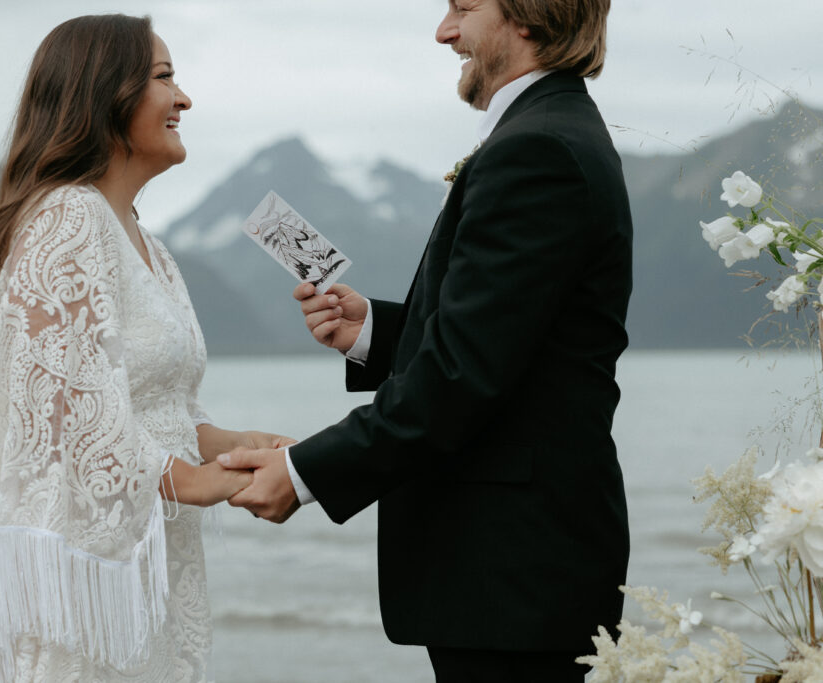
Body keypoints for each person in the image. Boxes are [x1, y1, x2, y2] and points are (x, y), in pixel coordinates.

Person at [217, 0, 632, 680]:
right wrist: (376, 332)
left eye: (463, 7)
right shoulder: (551, 131)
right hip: (519, 574)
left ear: (529, 14)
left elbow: (461, 376)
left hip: (512, 574)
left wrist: (303, 473)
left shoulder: (539, 150)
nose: (444, 31)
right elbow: (509, 342)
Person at [0, 15, 291, 682]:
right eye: (164, 78)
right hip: (83, 591)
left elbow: (156, 410)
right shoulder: (67, 218)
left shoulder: (143, 242)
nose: (183, 99)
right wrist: (192, 480)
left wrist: (239, 443)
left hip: (147, 564)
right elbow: (67, 408)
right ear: (107, 96)